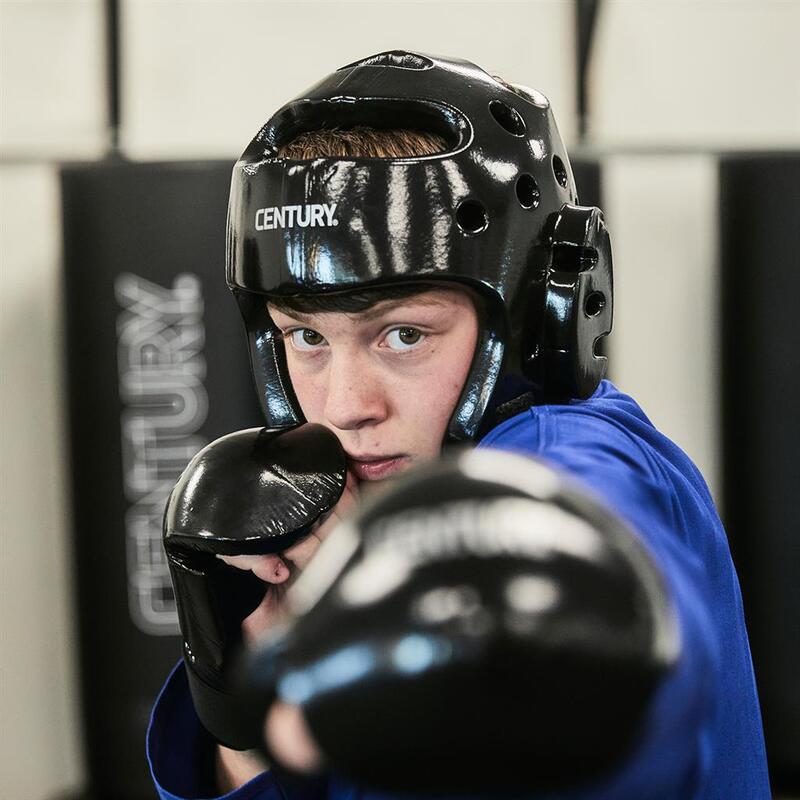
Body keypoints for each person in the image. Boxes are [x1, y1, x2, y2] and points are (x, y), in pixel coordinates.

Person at [148, 51, 770, 799]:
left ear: (541, 314)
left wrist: (530, 609)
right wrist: (239, 710)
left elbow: (597, 533)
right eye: (306, 337)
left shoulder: (571, 455)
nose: (346, 406)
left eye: (403, 334)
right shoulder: (343, 525)